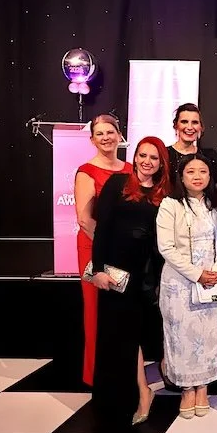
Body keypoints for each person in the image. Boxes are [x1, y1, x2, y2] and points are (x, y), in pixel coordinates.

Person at [90, 136, 171, 426]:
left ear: (161, 163)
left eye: (153, 158)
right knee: (117, 336)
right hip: (115, 272)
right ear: (134, 157)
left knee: (137, 334)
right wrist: (98, 269)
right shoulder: (117, 184)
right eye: (142, 155)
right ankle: (134, 394)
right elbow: (102, 229)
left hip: (147, 274)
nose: (147, 162)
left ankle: (144, 391)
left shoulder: (165, 194)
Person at [156, 153, 217, 419]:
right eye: (191, 172)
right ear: (181, 177)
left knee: (208, 336)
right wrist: (196, 274)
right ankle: (186, 389)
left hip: (209, 284)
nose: (197, 176)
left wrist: (216, 270)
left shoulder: (214, 206)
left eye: (203, 171)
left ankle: (203, 387)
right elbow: (166, 248)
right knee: (181, 338)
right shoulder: (170, 205)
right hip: (179, 283)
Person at [74, 114, 132, 386]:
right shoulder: (87, 171)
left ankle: (121, 373)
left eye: (110, 132)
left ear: (119, 135)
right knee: (96, 312)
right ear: (92, 140)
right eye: (100, 134)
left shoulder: (130, 169)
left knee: (121, 315)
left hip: (123, 251)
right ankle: (96, 376)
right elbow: (84, 220)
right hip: (94, 249)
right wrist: (107, 250)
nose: (106, 138)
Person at [166, 104, 217, 187]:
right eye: (184, 122)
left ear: (201, 127)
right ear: (176, 125)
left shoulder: (210, 156)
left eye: (195, 122)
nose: (190, 127)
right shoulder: (164, 155)